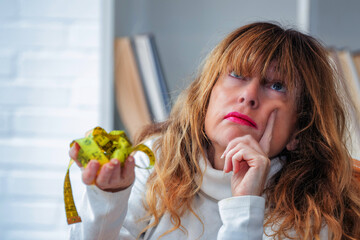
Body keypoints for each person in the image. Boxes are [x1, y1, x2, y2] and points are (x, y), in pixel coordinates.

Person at [69, 22, 360, 239]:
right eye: (237, 74)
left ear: (299, 130)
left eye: (276, 86)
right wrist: (109, 198)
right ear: (206, 95)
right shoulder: (155, 157)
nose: (248, 95)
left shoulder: (315, 210)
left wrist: (245, 205)